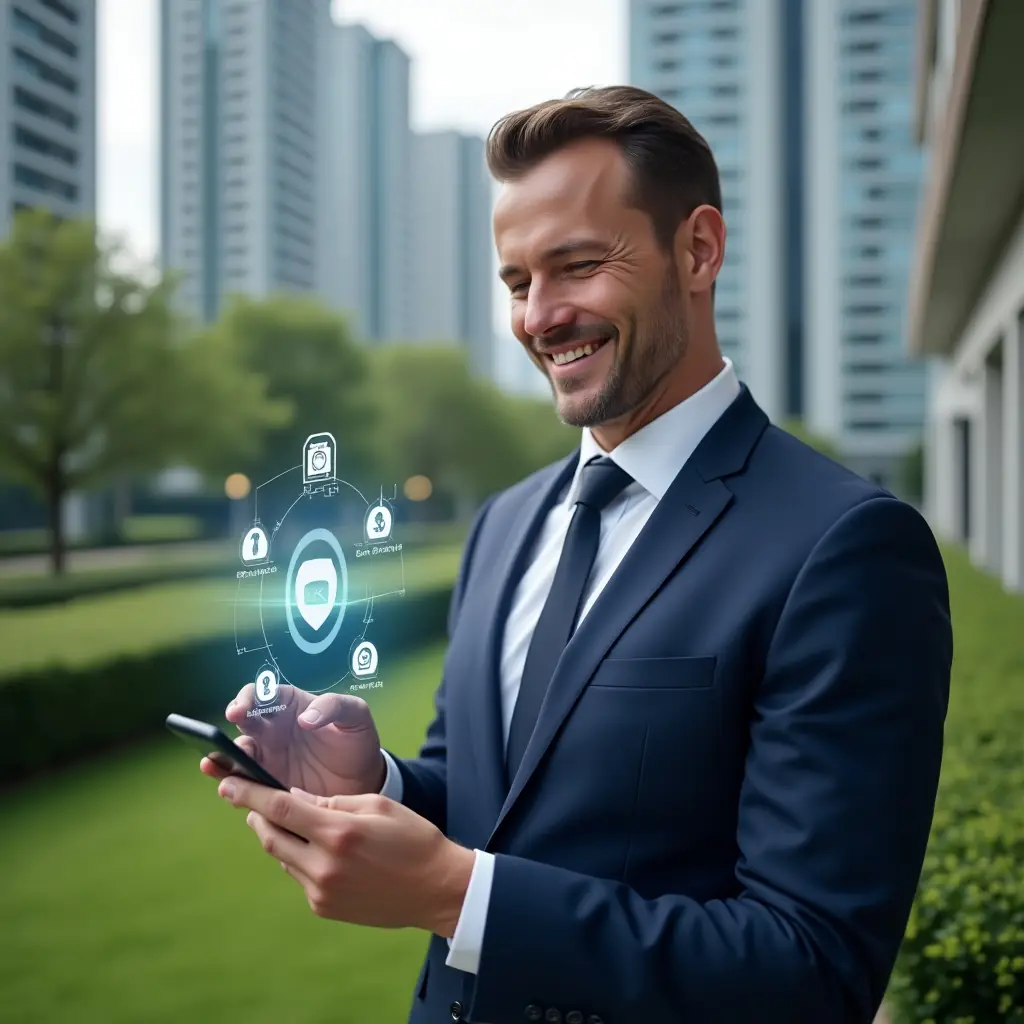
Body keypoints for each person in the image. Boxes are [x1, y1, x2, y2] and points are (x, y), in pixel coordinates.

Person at [203, 86, 952, 1023]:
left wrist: (454, 896)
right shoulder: (505, 525)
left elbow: (812, 970)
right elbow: (498, 806)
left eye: (580, 266)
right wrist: (379, 783)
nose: (541, 316)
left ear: (699, 250)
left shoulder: (845, 548)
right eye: (518, 283)